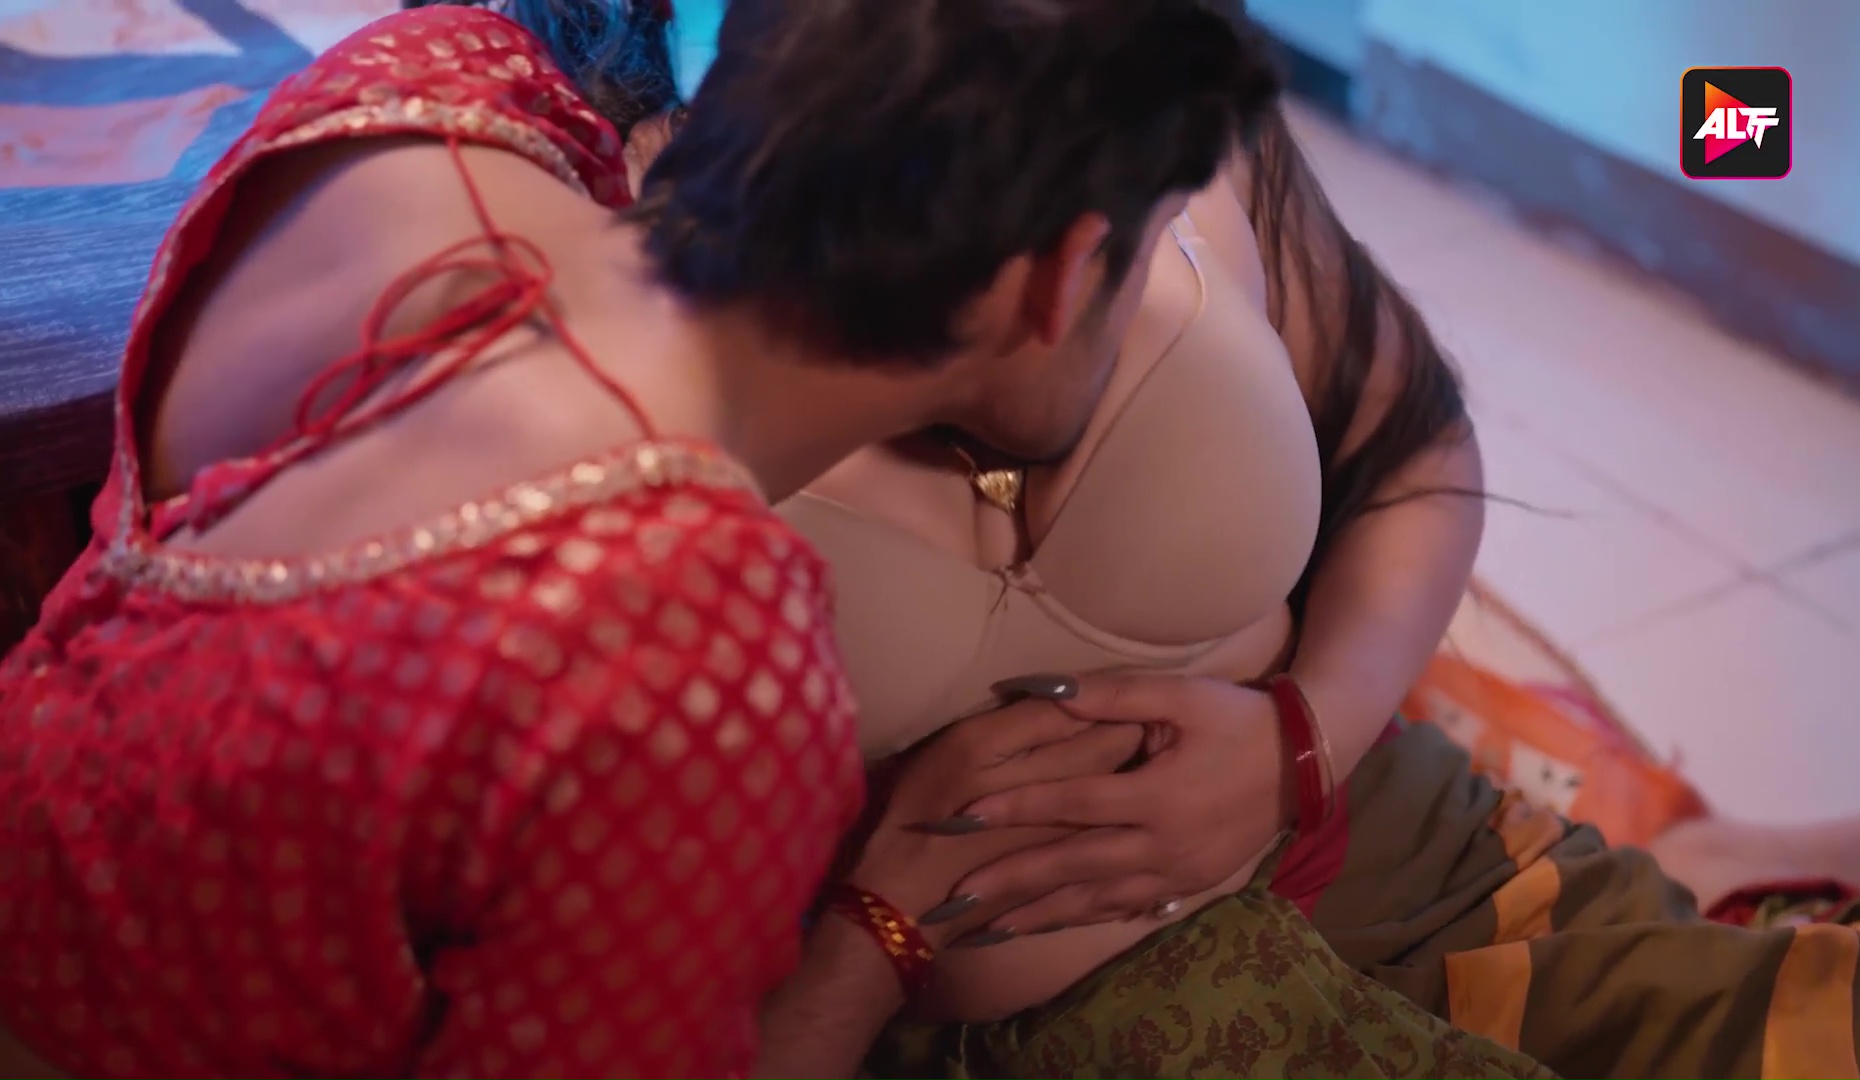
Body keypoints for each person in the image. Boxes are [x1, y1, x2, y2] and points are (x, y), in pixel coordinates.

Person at [602, 9, 1860, 1080]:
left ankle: (1719, 874)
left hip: (1408, 864)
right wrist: (873, 937)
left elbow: (1413, 453)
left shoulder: (1148, 102)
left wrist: (1304, 742)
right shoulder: (614, 431)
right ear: (1066, 272)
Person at [0, 2, 1307, 1079]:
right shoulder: (681, 647)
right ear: (1064, 274)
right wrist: (878, 932)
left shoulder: (431, 90)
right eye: (1153, 245)